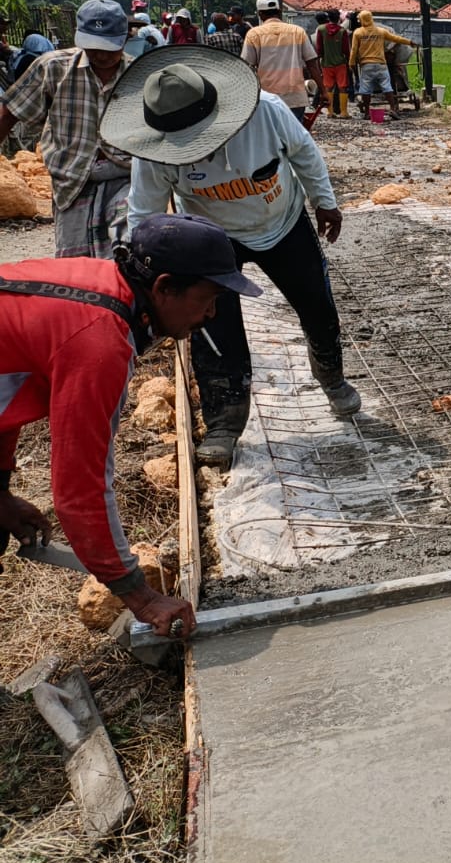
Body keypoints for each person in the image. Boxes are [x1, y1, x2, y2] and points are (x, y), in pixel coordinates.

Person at [0, 212, 263, 637]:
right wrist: (140, 596)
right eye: (208, 298)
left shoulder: (98, 283)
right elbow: (80, 490)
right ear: (164, 287)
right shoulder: (98, 340)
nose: (212, 313)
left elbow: (6, 388)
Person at [103, 46, 361, 468]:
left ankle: (332, 378)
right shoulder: (153, 149)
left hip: (282, 222)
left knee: (317, 305)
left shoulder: (267, 112)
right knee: (211, 325)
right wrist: (144, 271)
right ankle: (223, 422)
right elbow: (145, 212)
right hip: (209, 238)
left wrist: (325, 202)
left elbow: (304, 153)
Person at [0, 0, 136, 258]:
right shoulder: (53, 68)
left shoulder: (138, 74)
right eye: (94, 47)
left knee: (126, 254)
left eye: (110, 48)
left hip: (125, 177)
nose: (102, 55)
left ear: (125, 39)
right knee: (75, 265)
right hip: (72, 179)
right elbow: (9, 114)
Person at [241, 0, 320, 124]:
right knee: (293, 134)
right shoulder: (297, 31)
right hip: (295, 97)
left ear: (260, 14)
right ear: (279, 11)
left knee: (270, 134)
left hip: (267, 98)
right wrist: (323, 91)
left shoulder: (254, 34)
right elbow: (312, 63)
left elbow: (246, 67)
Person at [349, 10, 415, 119]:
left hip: (366, 65)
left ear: (361, 20)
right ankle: (393, 108)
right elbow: (396, 38)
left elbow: (354, 50)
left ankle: (367, 113)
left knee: (366, 90)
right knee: (387, 87)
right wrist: (409, 42)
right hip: (381, 65)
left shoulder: (358, 33)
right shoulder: (381, 31)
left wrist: (351, 63)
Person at [313, 10, 352, 118]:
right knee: (342, 87)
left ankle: (330, 112)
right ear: (338, 18)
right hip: (341, 63)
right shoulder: (342, 31)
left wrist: (320, 59)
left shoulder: (321, 29)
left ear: (328, 18)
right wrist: (349, 60)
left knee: (328, 87)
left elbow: (319, 48)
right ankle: (343, 112)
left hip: (326, 63)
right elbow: (346, 49)